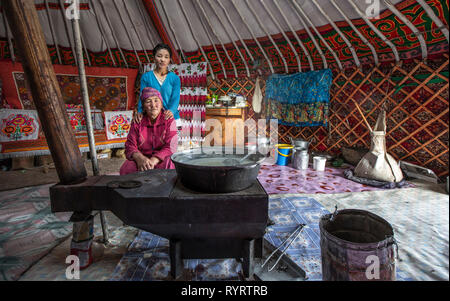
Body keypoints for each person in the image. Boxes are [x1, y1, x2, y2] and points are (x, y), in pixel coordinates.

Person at [120, 87, 177, 175]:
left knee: (169, 165)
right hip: (142, 159)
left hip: (161, 159)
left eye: (156, 100)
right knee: (126, 168)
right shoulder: (137, 122)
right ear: (143, 107)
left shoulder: (169, 120)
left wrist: (154, 160)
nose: (153, 105)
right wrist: (140, 158)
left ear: (161, 104)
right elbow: (130, 145)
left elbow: (171, 146)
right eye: (148, 101)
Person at [134, 43, 181, 127]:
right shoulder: (146, 77)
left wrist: (171, 111)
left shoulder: (175, 78)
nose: (162, 59)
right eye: (159, 56)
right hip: (152, 118)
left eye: (166, 57)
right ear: (154, 58)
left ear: (169, 60)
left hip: (171, 117)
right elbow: (142, 96)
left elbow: (175, 98)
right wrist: (140, 111)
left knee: (172, 139)